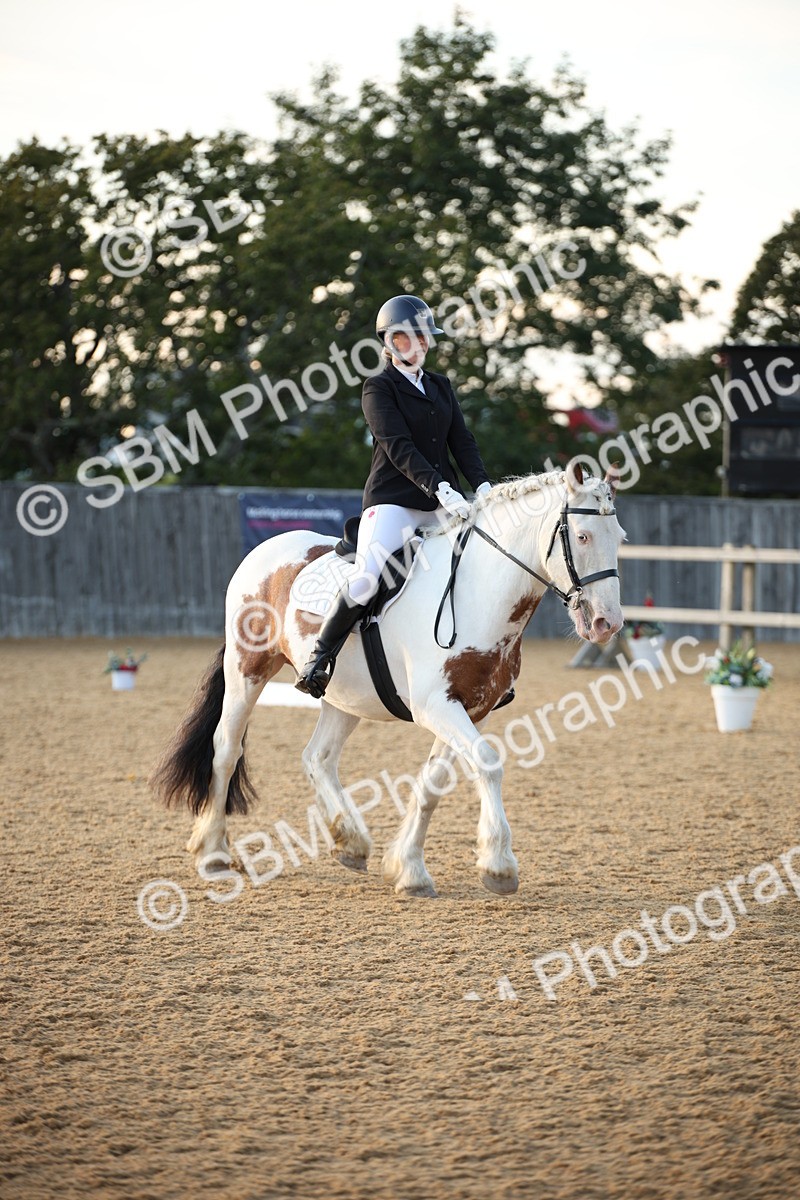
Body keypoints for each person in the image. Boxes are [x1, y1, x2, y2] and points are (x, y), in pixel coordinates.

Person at [295, 293, 492, 697]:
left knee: (478, 565)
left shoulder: (440, 385)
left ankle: (485, 660)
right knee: (367, 578)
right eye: (407, 338)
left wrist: (485, 486)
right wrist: (440, 487)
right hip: (394, 502)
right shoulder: (378, 388)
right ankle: (319, 658)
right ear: (389, 342)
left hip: (444, 503)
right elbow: (397, 446)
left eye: (423, 337)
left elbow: (462, 441)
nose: (418, 345)